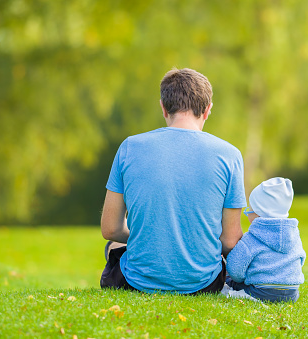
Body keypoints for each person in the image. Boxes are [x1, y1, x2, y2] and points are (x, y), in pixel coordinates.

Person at [100, 68, 246, 294]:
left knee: (114, 245)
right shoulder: (230, 155)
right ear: (207, 110)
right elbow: (230, 240)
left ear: (163, 107)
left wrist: (146, 233)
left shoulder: (129, 147)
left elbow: (110, 229)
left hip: (137, 283)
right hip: (204, 285)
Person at [226, 177, 306, 302]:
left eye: (249, 210)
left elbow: (235, 270)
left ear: (258, 213)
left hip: (260, 291)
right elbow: (300, 260)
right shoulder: (294, 235)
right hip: (291, 293)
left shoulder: (252, 238)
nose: (247, 214)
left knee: (227, 279)